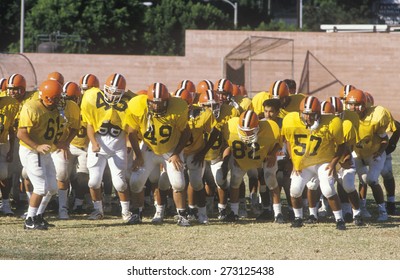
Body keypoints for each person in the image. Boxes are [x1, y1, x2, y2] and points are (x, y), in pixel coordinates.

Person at [126, 82, 192, 226]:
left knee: (178, 183)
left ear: (168, 101)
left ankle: (182, 214)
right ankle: (137, 213)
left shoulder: (178, 108)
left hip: (170, 150)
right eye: (153, 103)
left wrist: (176, 153)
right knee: (135, 182)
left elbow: (186, 132)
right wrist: (138, 155)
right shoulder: (138, 106)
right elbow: (131, 132)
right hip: (149, 149)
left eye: (161, 103)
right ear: (148, 101)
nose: (156, 106)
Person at [282, 96, 346, 230]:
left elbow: (341, 145)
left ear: (318, 114)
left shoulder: (332, 122)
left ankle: (339, 219)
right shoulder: (290, 120)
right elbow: (289, 141)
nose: (308, 118)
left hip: (323, 162)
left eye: (311, 114)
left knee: (328, 189)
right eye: (305, 114)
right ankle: (298, 218)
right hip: (303, 162)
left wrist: (333, 163)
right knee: (294, 190)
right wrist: (293, 161)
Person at [80, 73, 133, 223]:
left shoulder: (128, 103)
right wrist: (94, 143)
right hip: (98, 146)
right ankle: (98, 210)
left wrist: (129, 142)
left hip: (117, 148)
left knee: (120, 183)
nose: (112, 94)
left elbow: (130, 128)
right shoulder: (93, 98)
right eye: (109, 90)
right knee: (93, 182)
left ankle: (126, 212)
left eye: (116, 92)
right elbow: (90, 125)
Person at [219, 109, 282, 222]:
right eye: (243, 130)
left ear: (258, 127)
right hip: (242, 159)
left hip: (263, 158)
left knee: (270, 178)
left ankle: (278, 213)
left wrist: (272, 154)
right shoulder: (231, 126)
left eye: (250, 131)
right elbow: (227, 144)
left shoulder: (270, 128)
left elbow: (279, 142)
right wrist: (231, 156)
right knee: (235, 179)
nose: (246, 134)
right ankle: (234, 212)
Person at [17, 79, 63, 230]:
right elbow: (21, 133)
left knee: (52, 188)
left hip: (44, 150)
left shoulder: (53, 109)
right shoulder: (31, 107)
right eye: (56, 98)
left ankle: (38, 216)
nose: (58, 101)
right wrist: (37, 146)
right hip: (31, 150)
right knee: (41, 187)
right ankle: (29, 220)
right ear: (47, 97)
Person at [345, 89, 390, 221]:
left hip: (374, 152)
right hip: (358, 153)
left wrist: (380, 152)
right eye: (350, 104)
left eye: (357, 104)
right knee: (363, 179)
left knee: (372, 180)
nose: (353, 107)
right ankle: (363, 209)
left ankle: (383, 211)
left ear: (365, 105)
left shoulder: (375, 117)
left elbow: (385, 139)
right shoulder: (347, 118)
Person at [48, 81, 81, 219]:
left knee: (62, 174)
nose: (59, 101)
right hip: (40, 146)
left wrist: (66, 143)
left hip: (58, 146)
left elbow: (74, 127)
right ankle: (36, 208)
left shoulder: (71, 107)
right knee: (32, 175)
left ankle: (63, 207)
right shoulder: (36, 106)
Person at [0, 75, 21, 215]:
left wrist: (11, 149)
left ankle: (6, 203)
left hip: (3, 143)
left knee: (4, 173)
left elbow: (13, 129)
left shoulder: (10, 104)